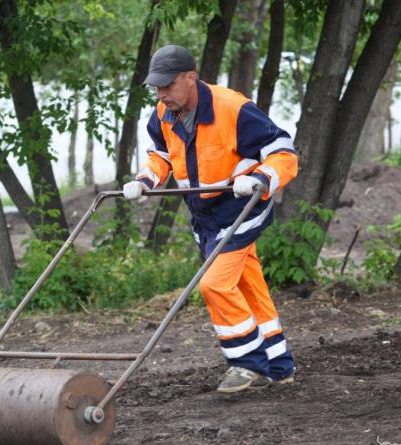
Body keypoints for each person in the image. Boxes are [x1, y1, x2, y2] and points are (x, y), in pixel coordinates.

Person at [123, 45, 298, 393]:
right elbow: (162, 155)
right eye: (157, 87)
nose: (162, 94)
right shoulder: (163, 114)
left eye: (168, 85)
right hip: (204, 216)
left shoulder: (232, 108)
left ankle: (247, 363)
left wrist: (261, 178)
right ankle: (278, 366)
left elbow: (282, 151)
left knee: (214, 284)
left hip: (242, 209)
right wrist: (144, 181)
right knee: (248, 286)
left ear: (191, 77)